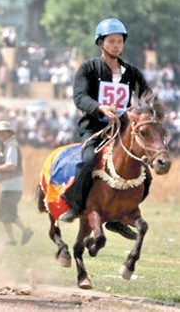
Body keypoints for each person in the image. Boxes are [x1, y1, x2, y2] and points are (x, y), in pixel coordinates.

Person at [59, 18, 152, 237]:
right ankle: (74, 203)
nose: (117, 46)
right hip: (94, 128)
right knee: (90, 159)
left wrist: (140, 111)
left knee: (145, 173)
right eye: (112, 41)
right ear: (101, 43)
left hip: (123, 132)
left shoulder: (132, 73)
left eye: (120, 41)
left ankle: (121, 215)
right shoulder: (88, 68)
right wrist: (100, 107)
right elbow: (79, 97)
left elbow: (146, 97)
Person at [0, 121, 33, 246]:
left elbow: (11, 165)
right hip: (12, 184)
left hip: (11, 184)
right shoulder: (8, 145)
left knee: (4, 210)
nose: (0, 134)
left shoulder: (11, 146)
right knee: (9, 211)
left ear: (8, 133)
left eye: (3, 132)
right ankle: (23, 232)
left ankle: (13, 237)